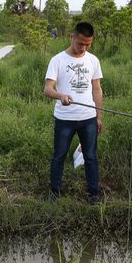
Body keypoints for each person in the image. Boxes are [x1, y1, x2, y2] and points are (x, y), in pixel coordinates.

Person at [44, 22, 103, 204]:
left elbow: (97, 90)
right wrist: (60, 95)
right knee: (59, 156)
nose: (83, 48)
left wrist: (98, 117)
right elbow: (47, 89)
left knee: (91, 157)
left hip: (88, 118)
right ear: (72, 37)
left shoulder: (93, 60)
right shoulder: (58, 60)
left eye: (88, 44)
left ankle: (94, 194)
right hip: (64, 119)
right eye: (80, 43)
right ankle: (55, 191)